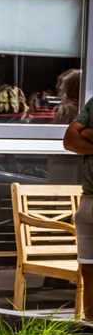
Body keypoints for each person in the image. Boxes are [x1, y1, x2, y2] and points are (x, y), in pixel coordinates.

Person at [63, 95, 93, 319]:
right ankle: (90, 328)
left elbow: (79, 136)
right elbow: (69, 141)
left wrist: (88, 133)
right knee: (88, 271)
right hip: (88, 203)